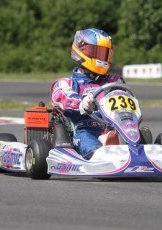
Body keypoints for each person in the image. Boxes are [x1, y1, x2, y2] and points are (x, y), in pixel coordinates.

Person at [50, 28, 125, 160]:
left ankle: (129, 147)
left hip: (115, 128)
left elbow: (124, 100)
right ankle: (101, 154)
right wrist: (81, 103)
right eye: (97, 52)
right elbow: (63, 97)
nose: (101, 57)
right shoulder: (65, 83)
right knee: (85, 138)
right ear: (81, 51)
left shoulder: (114, 81)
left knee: (129, 135)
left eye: (104, 53)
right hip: (83, 129)